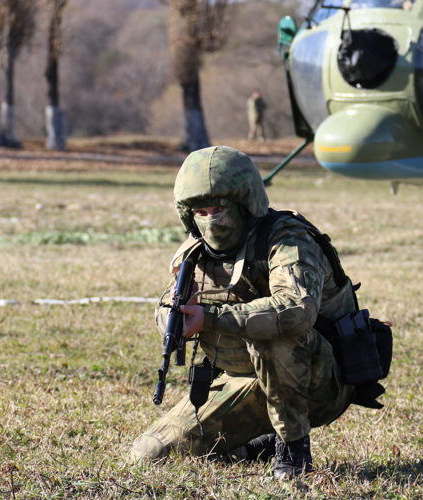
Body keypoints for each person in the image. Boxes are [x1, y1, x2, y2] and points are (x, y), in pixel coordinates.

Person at [130, 146, 358, 478]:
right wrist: (175, 317)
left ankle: (292, 451)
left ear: (245, 203)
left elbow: (296, 311)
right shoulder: (193, 254)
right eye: (201, 211)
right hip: (246, 379)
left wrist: (208, 318)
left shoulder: (286, 238)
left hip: (321, 380)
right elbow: (166, 306)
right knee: (149, 454)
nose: (212, 220)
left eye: (220, 208)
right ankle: (254, 448)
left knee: (267, 331)